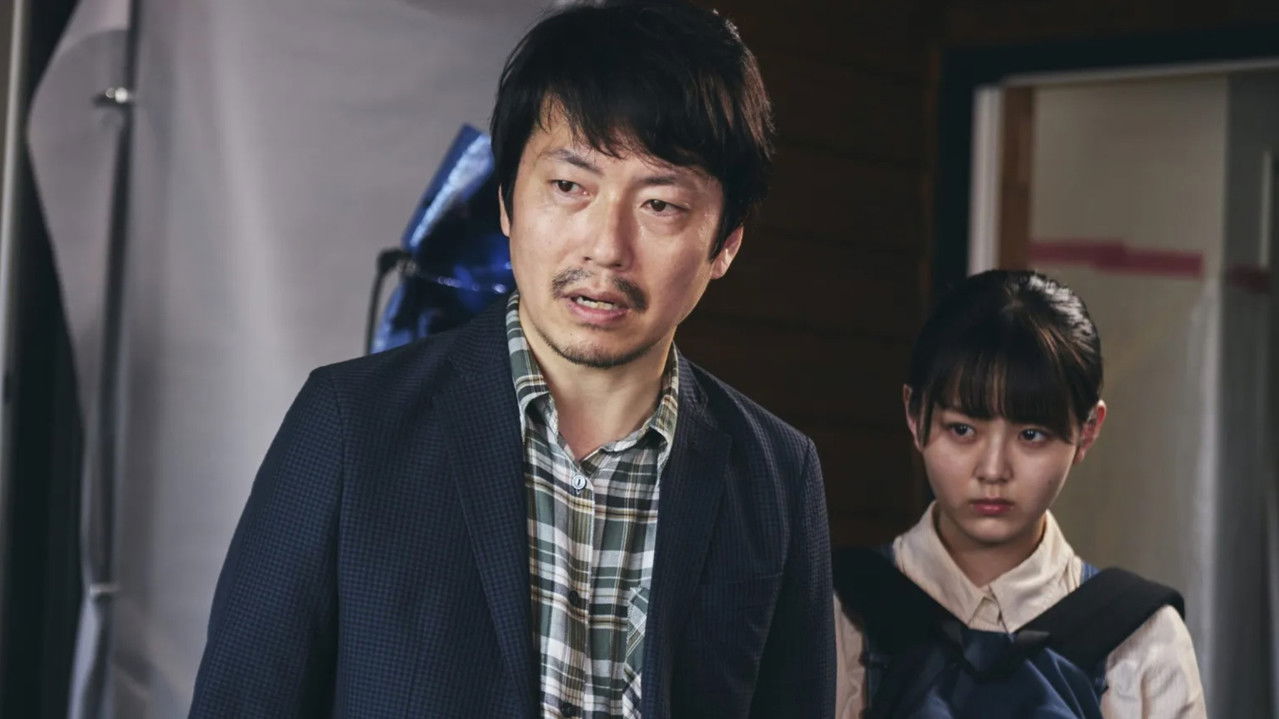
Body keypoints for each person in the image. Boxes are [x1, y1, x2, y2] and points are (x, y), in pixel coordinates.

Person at [189, 2, 834, 717]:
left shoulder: (778, 476)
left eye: (660, 205)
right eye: (569, 187)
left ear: (725, 243)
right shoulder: (351, 426)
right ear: (506, 201)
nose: (605, 247)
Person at [832, 270, 1206, 718]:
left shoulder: (1143, 639)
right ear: (914, 415)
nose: (993, 470)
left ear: (1087, 431)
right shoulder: (840, 614)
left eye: (1031, 435)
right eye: (962, 430)